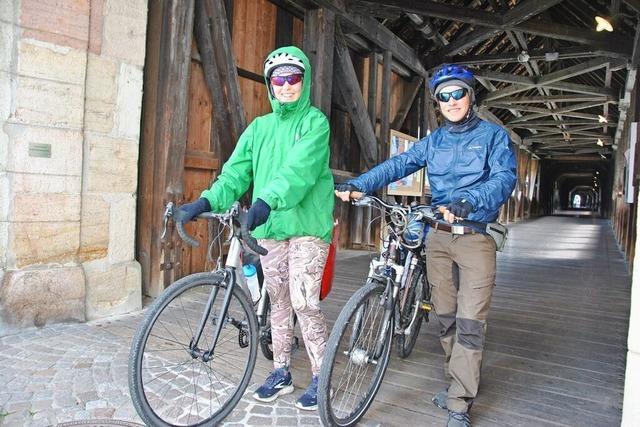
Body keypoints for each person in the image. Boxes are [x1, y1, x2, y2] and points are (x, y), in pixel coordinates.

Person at [335, 64, 516, 427]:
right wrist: (362, 182)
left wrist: (471, 200)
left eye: (458, 93)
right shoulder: (433, 142)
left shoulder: (494, 138)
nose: (451, 101)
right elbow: (398, 164)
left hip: (475, 236)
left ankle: (460, 404)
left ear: (470, 96)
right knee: (445, 317)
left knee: (469, 321)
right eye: (444, 96)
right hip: (437, 237)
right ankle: (456, 383)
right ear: (438, 102)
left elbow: (504, 178)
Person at [174, 46, 334, 411]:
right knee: (276, 300)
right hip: (271, 226)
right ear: (269, 84)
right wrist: (204, 202)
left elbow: (300, 170)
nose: (286, 85)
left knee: (304, 301)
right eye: (278, 78)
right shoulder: (258, 128)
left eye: (294, 77)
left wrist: (263, 202)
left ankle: (321, 376)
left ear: (303, 80)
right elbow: (235, 172)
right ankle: (281, 371)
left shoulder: (315, 123)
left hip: (307, 225)